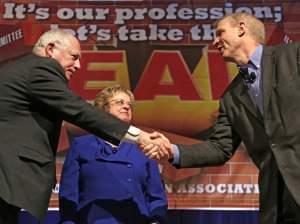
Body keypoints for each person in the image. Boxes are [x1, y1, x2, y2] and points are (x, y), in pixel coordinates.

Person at [142, 12, 300, 224]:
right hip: (277, 202)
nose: (214, 41)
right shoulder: (230, 97)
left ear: (241, 28)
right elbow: (220, 148)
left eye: (220, 33)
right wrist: (172, 150)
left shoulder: (292, 55)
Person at [0, 29, 166, 224]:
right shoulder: (41, 68)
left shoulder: (22, 68)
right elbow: (79, 111)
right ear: (51, 49)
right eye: (74, 57)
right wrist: (140, 137)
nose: (78, 65)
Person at [59, 85, 168, 224]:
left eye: (129, 104)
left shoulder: (143, 148)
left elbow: (156, 196)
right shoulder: (81, 145)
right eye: (119, 102)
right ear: (102, 108)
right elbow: (69, 194)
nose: (127, 107)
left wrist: (156, 221)